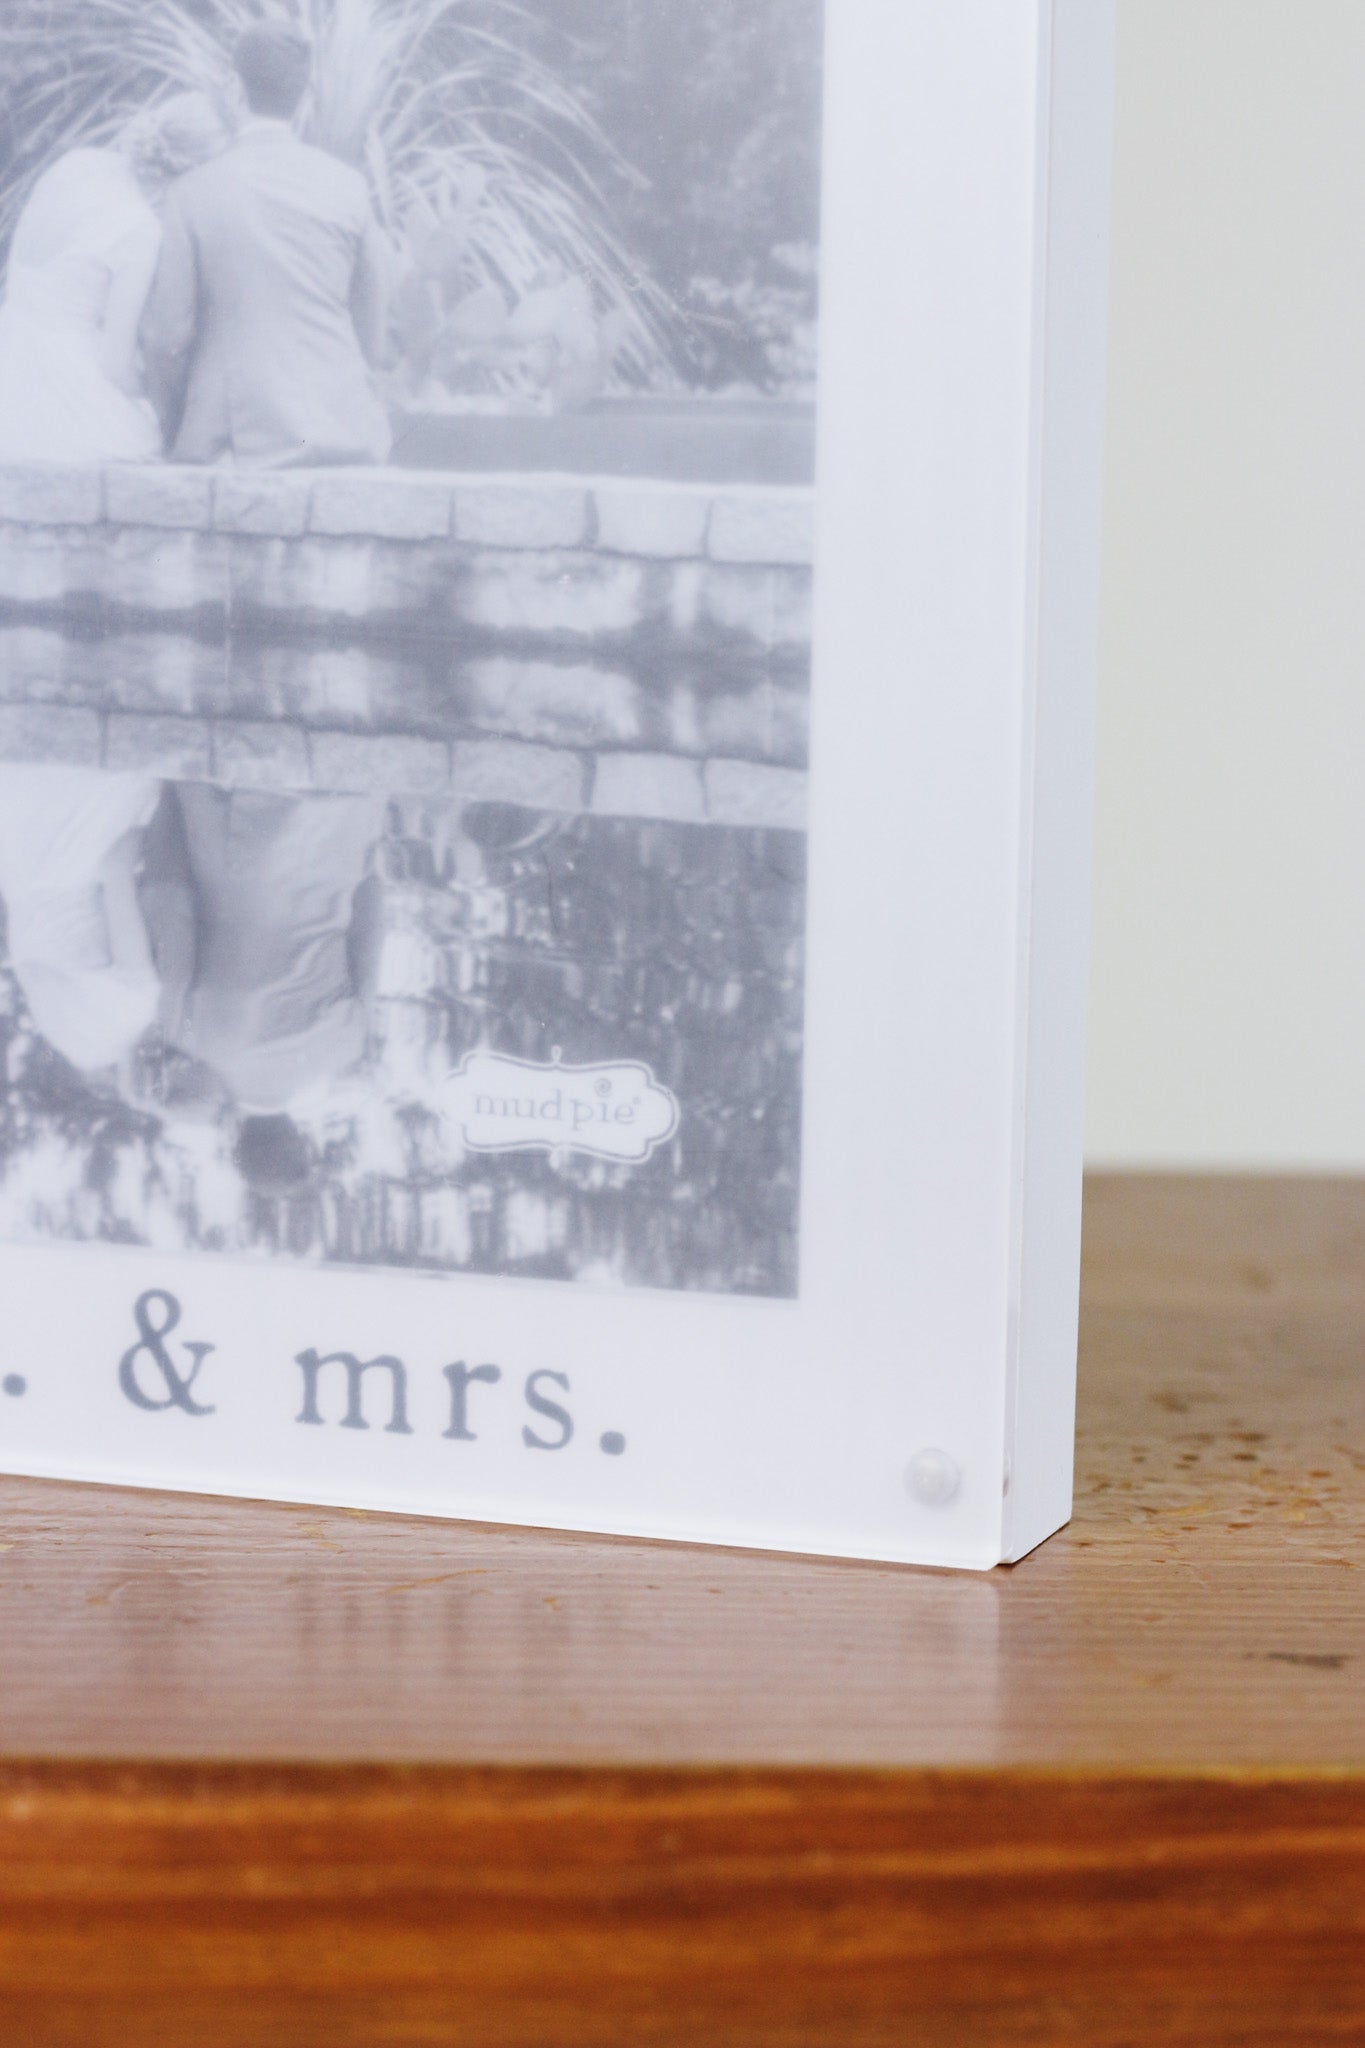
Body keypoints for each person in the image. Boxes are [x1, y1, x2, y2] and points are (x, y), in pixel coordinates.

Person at [140, 23, 392, 469]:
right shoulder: (349, 187)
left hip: (235, 445)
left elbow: (166, 340)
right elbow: (372, 330)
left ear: (235, 89)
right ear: (304, 97)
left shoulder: (193, 193)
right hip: (346, 433)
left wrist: (175, 425)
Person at [146, 784, 387, 1194]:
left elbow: (371, 911)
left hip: (338, 829)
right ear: (237, 1141)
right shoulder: (187, 1039)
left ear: (301, 1137)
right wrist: (172, 797)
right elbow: (170, 900)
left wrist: (363, 842)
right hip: (228, 827)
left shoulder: (346, 1046)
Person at [0, 96, 230, 464]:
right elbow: (114, 364)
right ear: (191, 173)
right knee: (146, 441)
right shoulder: (138, 229)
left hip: (10, 348)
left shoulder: (79, 162)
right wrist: (156, 398)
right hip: (58, 380)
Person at [0, 765, 164, 1071]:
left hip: (80, 831)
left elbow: (116, 864)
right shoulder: (36, 974)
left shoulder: (135, 1002)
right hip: (16, 838)